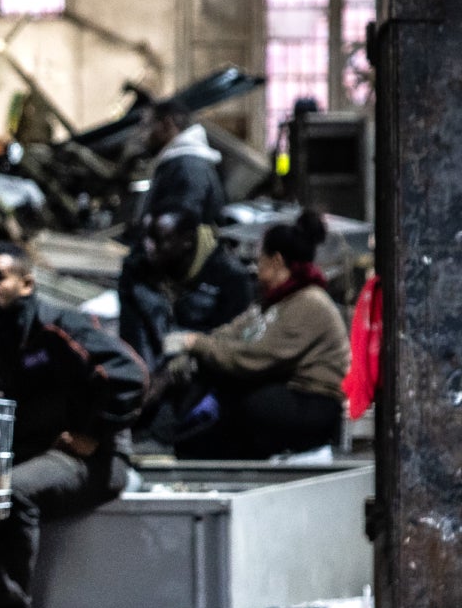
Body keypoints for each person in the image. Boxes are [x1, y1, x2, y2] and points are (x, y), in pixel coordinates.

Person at [0, 244, 145, 608]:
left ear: (27, 284)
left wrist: (94, 432)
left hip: (96, 459)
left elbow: (131, 375)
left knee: (15, 491)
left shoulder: (58, 325)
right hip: (45, 452)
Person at [166, 208, 349, 460]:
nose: (255, 264)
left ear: (276, 261)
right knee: (214, 389)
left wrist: (197, 344)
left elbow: (256, 357)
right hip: (284, 390)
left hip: (313, 400)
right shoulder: (273, 302)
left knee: (243, 401)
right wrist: (195, 347)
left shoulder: (310, 302)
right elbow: (233, 333)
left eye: (260, 257)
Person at [116, 208, 255, 372]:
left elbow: (228, 341)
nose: (149, 247)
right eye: (146, 237)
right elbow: (133, 329)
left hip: (197, 369)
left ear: (187, 241)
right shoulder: (138, 266)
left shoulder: (230, 277)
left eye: (159, 240)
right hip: (150, 363)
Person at [135, 102, 226, 232]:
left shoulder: (189, 167)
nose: (141, 134)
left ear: (167, 124)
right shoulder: (178, 163)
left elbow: (179, 228)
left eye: (146, 125)